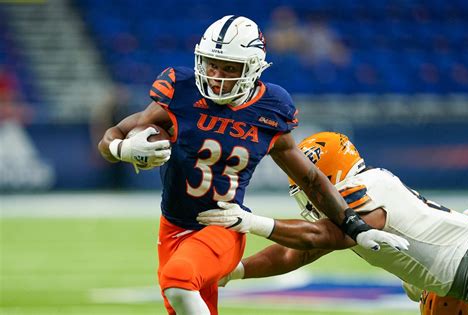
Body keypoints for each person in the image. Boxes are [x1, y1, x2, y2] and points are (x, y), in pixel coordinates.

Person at [98, 16, 407, 315]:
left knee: (178, 283)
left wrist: (353, 225)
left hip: (222, 225)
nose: (217, 76)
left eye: (229, 68)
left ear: (253, 69)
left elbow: (311, 179)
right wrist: (122, 148)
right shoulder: (181, 92)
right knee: (183, 297)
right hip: (171, 227)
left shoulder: (269, 110)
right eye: (211, 64)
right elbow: (113, 137)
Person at [197, 131, 468, 314]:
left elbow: (319, 237)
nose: (308, 195)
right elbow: (298, 252)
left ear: (329, 176)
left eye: (309, 183)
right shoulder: (363, 195)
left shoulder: (365, 187)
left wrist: (251, 222)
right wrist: (235, 271)